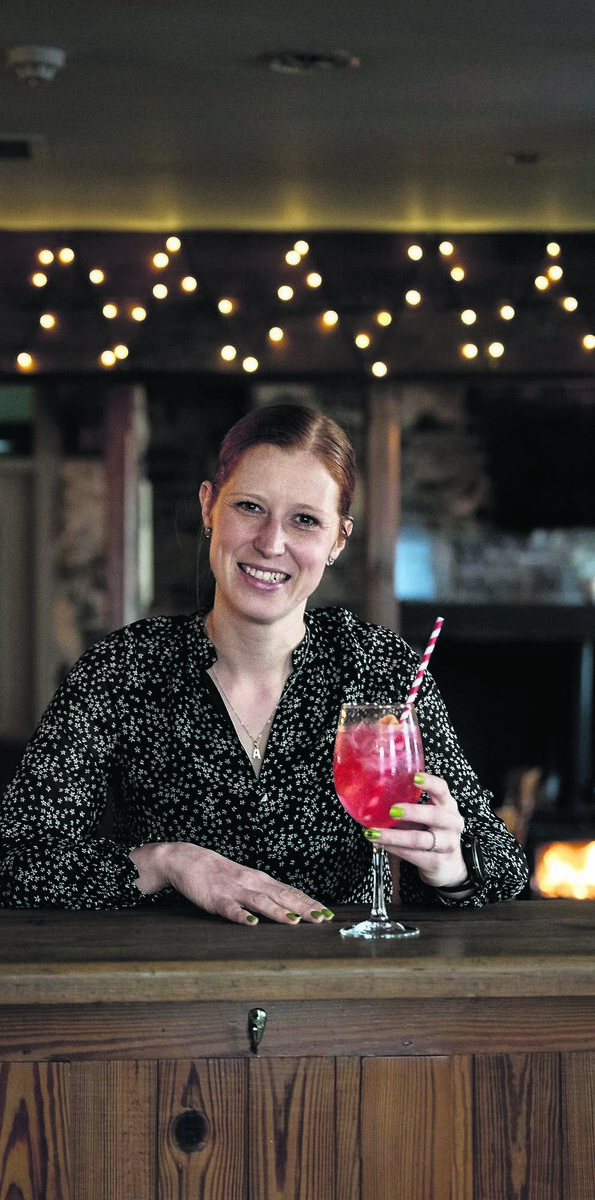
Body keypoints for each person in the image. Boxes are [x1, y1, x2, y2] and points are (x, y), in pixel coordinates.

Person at [0, 403, 528, 922]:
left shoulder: (378, 665)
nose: (271, 543)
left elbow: (504, 866)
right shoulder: (124, 668)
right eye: (250, 507)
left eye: (305, 520)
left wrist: (451, 867)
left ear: (338, 540)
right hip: (166, 974)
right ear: (209, 507)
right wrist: (168, 863)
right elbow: (16, 862)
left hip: (335, 972)